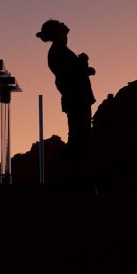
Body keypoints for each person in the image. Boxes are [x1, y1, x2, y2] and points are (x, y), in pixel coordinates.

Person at [36, 19, 96, 186]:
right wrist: (83, 63)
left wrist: (84, 68)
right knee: (79, 137)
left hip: (76, 99)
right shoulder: (59, 51)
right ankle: (75, 179)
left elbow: (71, 73)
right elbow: (70, 74)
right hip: (77, 99)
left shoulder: (58, 51)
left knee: (79, 135)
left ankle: (75, 177)